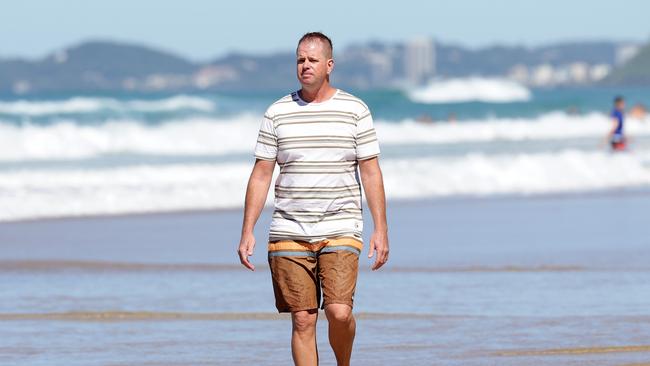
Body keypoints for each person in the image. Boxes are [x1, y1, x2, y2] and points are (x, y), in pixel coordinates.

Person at [237, 32, 389, 366]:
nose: (305, 66)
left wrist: (381, 229)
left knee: (338, 311)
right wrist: (248, 229)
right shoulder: (277, 112)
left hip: (341, 225)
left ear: (329, 65)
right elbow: (261, 173)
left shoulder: (354, 110)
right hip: (288, 229)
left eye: (312, 60)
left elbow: (371, 171)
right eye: (300, 60)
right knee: (303, 318)